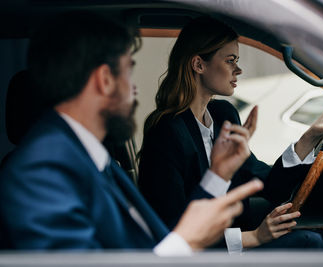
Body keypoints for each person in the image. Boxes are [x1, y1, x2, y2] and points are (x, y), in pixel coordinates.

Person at [0, 12, 265, 255]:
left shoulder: (91, 156)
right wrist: (184, 242)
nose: (135, 89)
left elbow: (152, 240)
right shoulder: (43, 171)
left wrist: (218, 175)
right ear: (104, 79)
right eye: (128, 71)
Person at [138, 16, 323, 252]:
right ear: (198, 65)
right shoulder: (166, 132)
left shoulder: (222, 115)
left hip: (234, 246)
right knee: (313, 244)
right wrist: (253, 237)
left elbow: (267, 185)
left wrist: (308, 139)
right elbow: (173, 231)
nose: (238, 69)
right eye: (230, 61)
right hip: (205, 256)